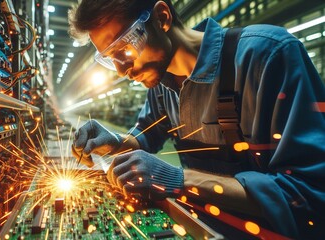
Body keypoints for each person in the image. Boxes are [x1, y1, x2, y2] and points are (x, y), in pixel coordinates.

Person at [68, 0, 325, 239]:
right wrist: (114, 141)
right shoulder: (160, 84)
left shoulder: (266, 55)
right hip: (203, 227)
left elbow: (308, 193)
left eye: (123, 49)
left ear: (161, 17)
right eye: (110, 60)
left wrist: (179, 179)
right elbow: (146, 135)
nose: (122, 70)